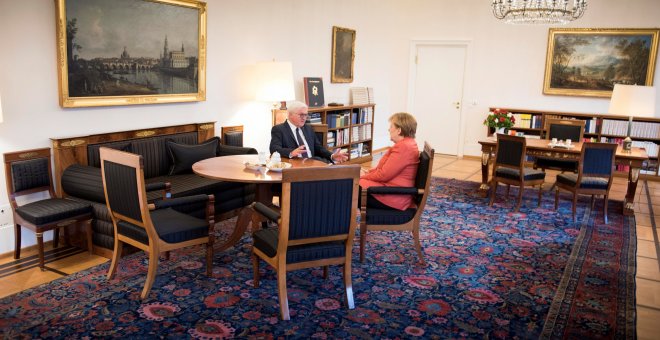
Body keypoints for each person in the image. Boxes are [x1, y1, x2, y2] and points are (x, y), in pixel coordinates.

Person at [360, 112, 419, 211]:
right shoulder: (407, 144)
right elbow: (385, 170)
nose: (389, 129)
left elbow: (383, 175)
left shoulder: (404, 147)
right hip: (391, 191)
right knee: (349, 182)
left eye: (391, 126)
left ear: (399, 130)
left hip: (393, 197)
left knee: (348, 186)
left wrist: (362, 176)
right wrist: (368, 172)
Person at [270, 101, 348, 163]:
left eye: (306, 115)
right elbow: (274, 149)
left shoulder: (308, 128)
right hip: (295, 164)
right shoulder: (279, 129)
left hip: (314, 162)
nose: (304, 118)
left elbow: (319, 148)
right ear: (290, 115)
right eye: (301, 115)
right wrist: (291, 153)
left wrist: (332, 156)